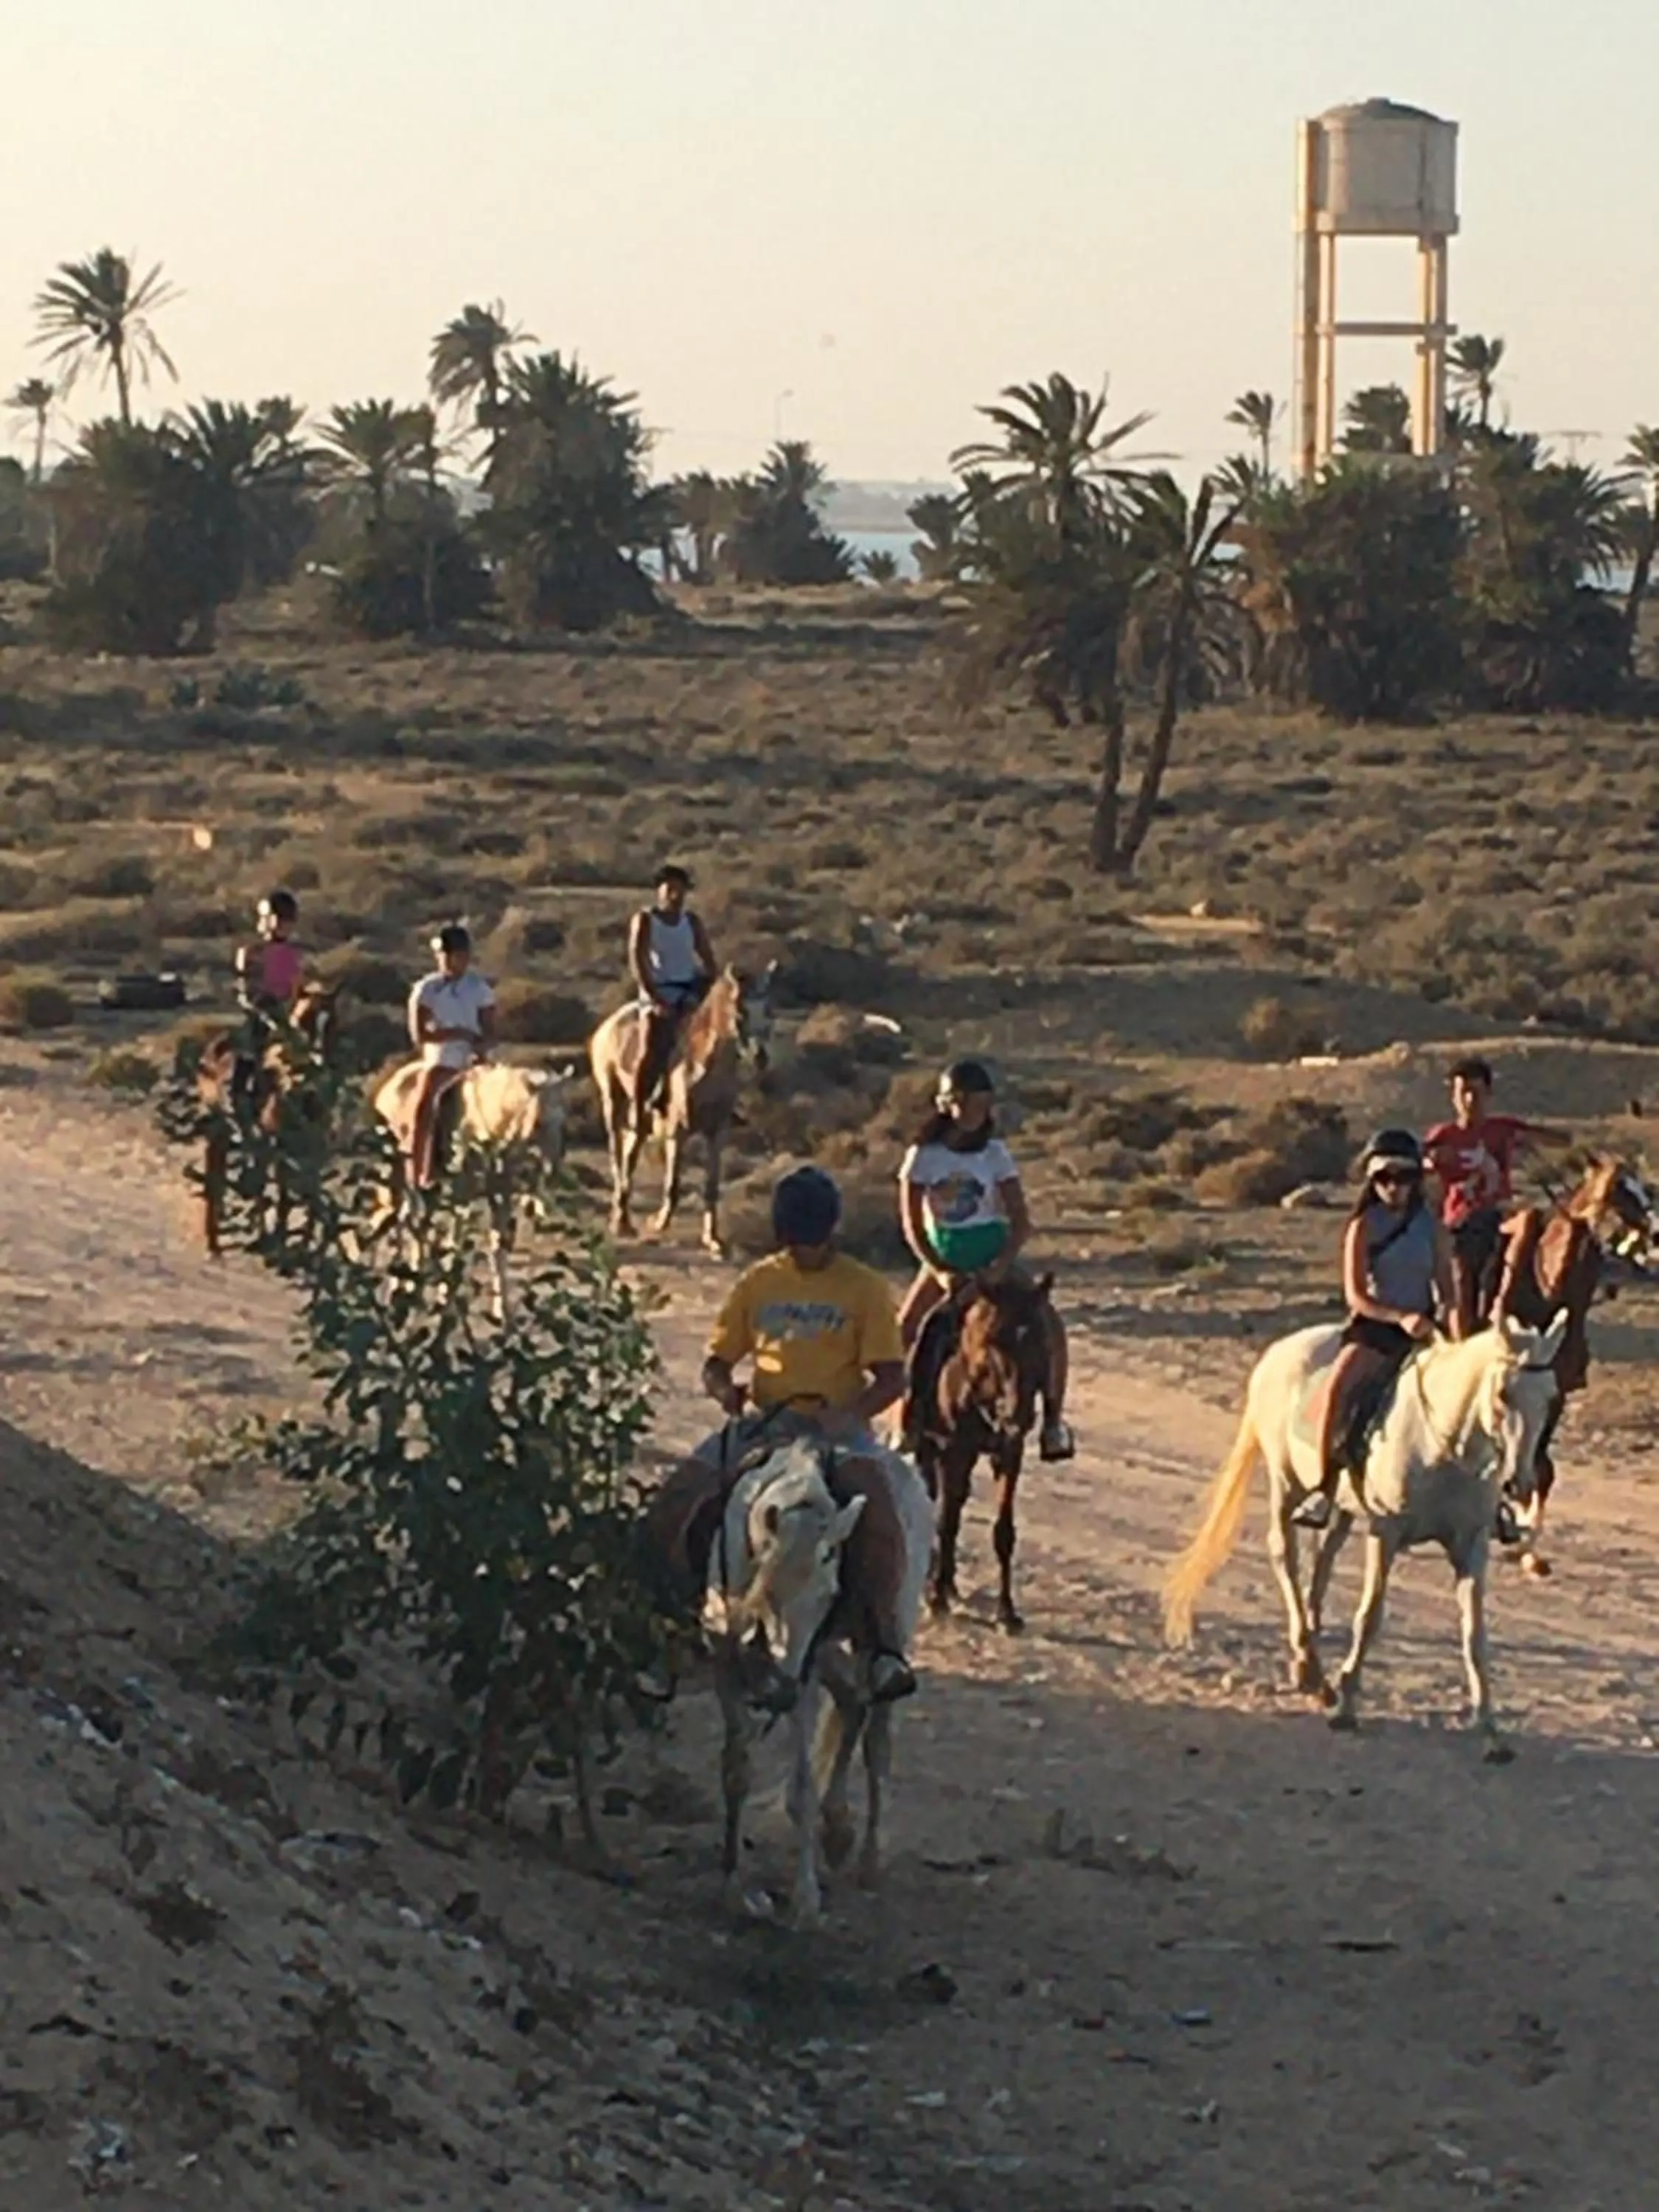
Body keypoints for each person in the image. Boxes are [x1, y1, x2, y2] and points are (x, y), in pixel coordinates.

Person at [653, 1166, 917, 1704]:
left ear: (832, 1232)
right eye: (797, 1240)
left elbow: (893, 1377)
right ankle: (671, 1628)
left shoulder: (863, 1288)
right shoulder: (760, 1282)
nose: (806, 1251)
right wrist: (723, 1388)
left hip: (837, 1426)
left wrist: (850, 1414)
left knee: (881, 1512)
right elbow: (717, 1360)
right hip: (767, 1423)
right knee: (677, 1499)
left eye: (814, 1241)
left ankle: (882, 1646)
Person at [897, 1059, 1074, 1462]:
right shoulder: (923, 1156)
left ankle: (1053, 1422)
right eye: (966, 1103)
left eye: (981, 1102)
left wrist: (1001, 1264)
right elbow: (912, 1224)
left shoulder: (995, 1154)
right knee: (907, 1329)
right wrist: (939, 1270)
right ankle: (905, 1420)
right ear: (947, 1105)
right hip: (944, 1262)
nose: (975, 1112)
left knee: (1047, 1326)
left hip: (994, 1260)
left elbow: (1021, 1221)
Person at [1293, 1128, 1459, 1530]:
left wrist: (1453, 1331)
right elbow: (1356, 1296)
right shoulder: (1363, 1226)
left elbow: (1448, 1288)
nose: (1393, 1188)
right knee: (1340, 1387)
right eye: (1384, 1179)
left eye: (1402, 1178)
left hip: (1424, 1327)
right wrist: (1399, 1317)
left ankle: (1494, 1495)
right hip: (1377, 1327)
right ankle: (1324, 1487)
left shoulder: (1431, 1226)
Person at [1424, 1057, 1565, 1335]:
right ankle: (1461, 1337)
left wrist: (1528, 1141)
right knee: (1462, 1280)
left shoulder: (1502, 1129)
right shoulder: (1444, 1135)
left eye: (1475, 1092)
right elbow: (1422, 1168)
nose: (1468, 1099)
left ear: (1488, 1094)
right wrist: (1431, 1162)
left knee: (1530, 1224)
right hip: (1462, 1223)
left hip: (1500, 1215)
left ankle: (1510, 1304)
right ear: (1453, 1096)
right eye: (1462, 1092)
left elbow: (1559, 1140)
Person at [404, 923, 498, 1191]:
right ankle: (419, 1169)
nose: (450, 961)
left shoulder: (479, 989)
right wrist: (456, 1033)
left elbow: (491, 1030)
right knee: (425, 1106)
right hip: (440, 1058)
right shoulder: (426, 990)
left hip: (472, 1060)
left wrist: (479, 1047)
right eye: (445, 956)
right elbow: (419, 1035)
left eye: (455, 955)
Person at [629, 864, 717, 1121]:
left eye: (680, 890)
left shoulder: (691, 922)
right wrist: (653, 996)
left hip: (688, 987)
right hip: (659, 989)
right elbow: (638, 959)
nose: (675, 896)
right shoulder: (646, 920)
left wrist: (714, 982)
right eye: (670, 889)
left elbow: (706, 956)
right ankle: (641, 1103)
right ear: (659, 891)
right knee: (654, 1044)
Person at [231, 890, 305, 1116]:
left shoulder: (294, 954)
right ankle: (240, 1096)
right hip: (261, 1012)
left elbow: (296, 987)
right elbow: (247, 990)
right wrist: (266, 1010)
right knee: (252, 1047)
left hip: (287, 1013)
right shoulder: (252, 953)